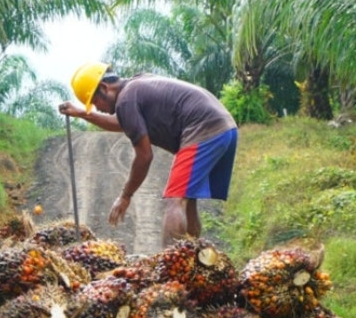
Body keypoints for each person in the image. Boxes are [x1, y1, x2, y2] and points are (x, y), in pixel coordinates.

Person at [58, 61, 237, 248]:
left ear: (104, 87)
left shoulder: (126, 99)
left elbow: (144, 156)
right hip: (225, 128)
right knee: (187, 200)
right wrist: (82, 114)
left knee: (175, 201)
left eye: (95, 102)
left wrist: (126, 196)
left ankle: (170, 270)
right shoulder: (136, 86)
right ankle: (196, 262)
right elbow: (124, 123)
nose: (97, 108)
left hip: (204, 130)